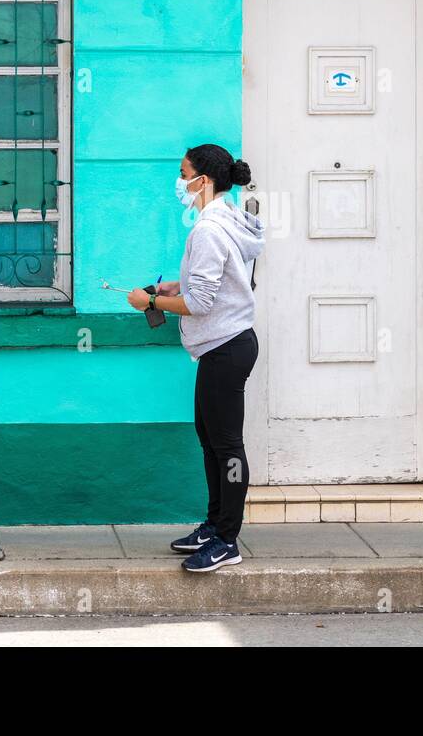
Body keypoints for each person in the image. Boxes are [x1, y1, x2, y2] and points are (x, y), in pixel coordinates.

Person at [127, 143, 264, 573]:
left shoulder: (207, 229)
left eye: (184, 173)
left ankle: (227, 540)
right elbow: (216, 282)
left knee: (226, 446)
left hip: (225, 346)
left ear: (202, 181)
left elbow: (202, 302)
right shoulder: (224, 219)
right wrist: (172, 288)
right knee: (211, 441)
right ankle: (214, 525)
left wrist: (146, 300)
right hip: (224, 345)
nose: (179, 182)